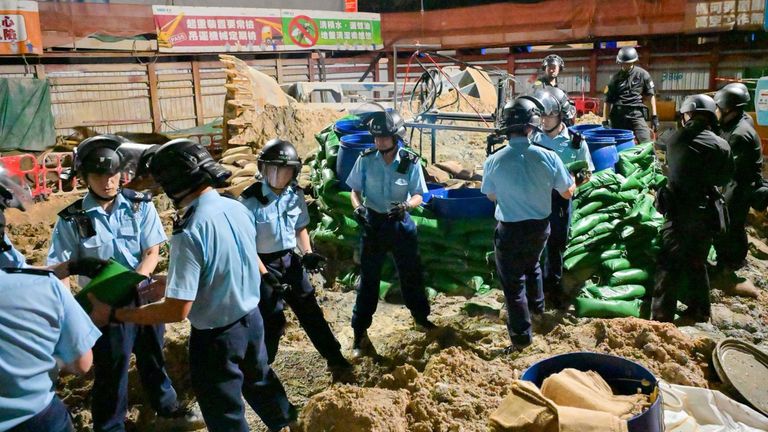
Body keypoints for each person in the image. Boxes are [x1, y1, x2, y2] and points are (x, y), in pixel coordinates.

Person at [88, 139, 297, 432]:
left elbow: (178, 310)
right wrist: (169, 283)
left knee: (224, 414)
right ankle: (288, 425)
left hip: (216, 339)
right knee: (261, 381)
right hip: (251, 322)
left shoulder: (189, 231)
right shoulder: (235, 208)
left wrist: (118, 315)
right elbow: (228, 265)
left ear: (175, 182)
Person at [46, 135, 202, 432]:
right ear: (85, 177)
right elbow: (59, 269)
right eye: (99, 175)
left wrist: (138, 282)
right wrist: (71, 313)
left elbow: (151, 251)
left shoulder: (139, 205)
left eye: (113, 174)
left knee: (153, 356)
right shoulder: (72, 219)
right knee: (111, 368)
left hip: (142, 295)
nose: (108, 182)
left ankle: (168, 411)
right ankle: (110, 426)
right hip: (102, 304)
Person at [240, 138, 352, 378]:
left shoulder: (294, 195)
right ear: (262, 169)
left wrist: (308, 253)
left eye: (285, 171)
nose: (279, 176)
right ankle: (262, 370)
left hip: (290, 260)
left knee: (310, 311)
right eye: (273, 170)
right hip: (261, 263)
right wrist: (264, 275)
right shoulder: (249, 201)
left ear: (293, 172)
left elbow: (299, 228)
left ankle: (336, 359)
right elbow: (246, 246)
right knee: (271, 320)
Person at [1, 169, 102, 432]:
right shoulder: (44, 290)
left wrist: (67, 268)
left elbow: (16, 272)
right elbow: (82, 363)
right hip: (35, 416)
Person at [482, 94, 575, 353]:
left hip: (509, 229)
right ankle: (537, 309)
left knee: (513, 285)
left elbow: (490, 195)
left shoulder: (494, 160)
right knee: (533, 264)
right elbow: (567, 192)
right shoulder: (549, 156)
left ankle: (521, 339)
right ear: (531, 127)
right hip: (540, 228)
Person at [346, 110, 435, 359]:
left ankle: (421, 319)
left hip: (399, 223)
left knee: (411, 275)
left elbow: (420, 194)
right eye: (376, 138)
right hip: (373, 225)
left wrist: (407, 206)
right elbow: (354, 190)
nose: (378, 142)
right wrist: (357, 207)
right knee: (369, 281)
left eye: (384, 137)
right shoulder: (365, 159)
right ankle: (359, 334)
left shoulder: (409, 161)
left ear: (396, 137)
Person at [651, 95, 733, 323]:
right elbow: (724, 177)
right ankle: (700, 312)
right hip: (706, 213)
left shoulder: (676, 139)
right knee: (698, 262)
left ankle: (661, 316)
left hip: (679, 212)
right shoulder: (722, 145)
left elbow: (670, 169)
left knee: (668, 264)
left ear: (688, 114)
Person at [530, 89, 594, 309]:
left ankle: (552, 290)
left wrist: (572, 186)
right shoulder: (532, 138)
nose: (544, 120)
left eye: (549, 115)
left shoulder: (575, 143)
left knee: (556, 246)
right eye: (542, 115)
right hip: (536, 198)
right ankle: (534, 290)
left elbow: (587, 173)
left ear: (561, 115)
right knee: (534, 244)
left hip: (560, 201)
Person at [713, 83, 763, 275]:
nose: (717, 111)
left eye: (719, 108)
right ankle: (735, 257)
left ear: (728, 108)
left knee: (730, 219)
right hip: (737, 178)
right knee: (735, 221)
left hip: (740, 182)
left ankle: (731, 261)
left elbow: (726, 167)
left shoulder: (740, 133)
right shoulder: (739, 120)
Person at [604, 46, 659, 143]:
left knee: (646, 143)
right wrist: (605, 121)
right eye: (624, 64)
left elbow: (651, 95)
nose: (627, 66)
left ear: (634, 62)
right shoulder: (615, 79)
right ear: (619, 63)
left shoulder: (642, 75)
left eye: (629, 63)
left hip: (636, 113)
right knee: (618, 145)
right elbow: (607, 101)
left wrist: (654, 116)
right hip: (619, 115)